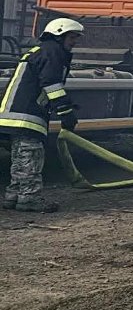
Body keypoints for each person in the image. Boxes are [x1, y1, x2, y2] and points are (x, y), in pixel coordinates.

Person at [1, 18, 83, 212]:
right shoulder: (52, 52)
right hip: (26, 116)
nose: (74, 42)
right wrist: (66, 112)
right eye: (72, 37)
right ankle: (29, 199)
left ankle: (14, 195)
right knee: (32, 157)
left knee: (21, 158)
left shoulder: (42, 50)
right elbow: (52, 85)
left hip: (16, 113)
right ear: (59, 34)